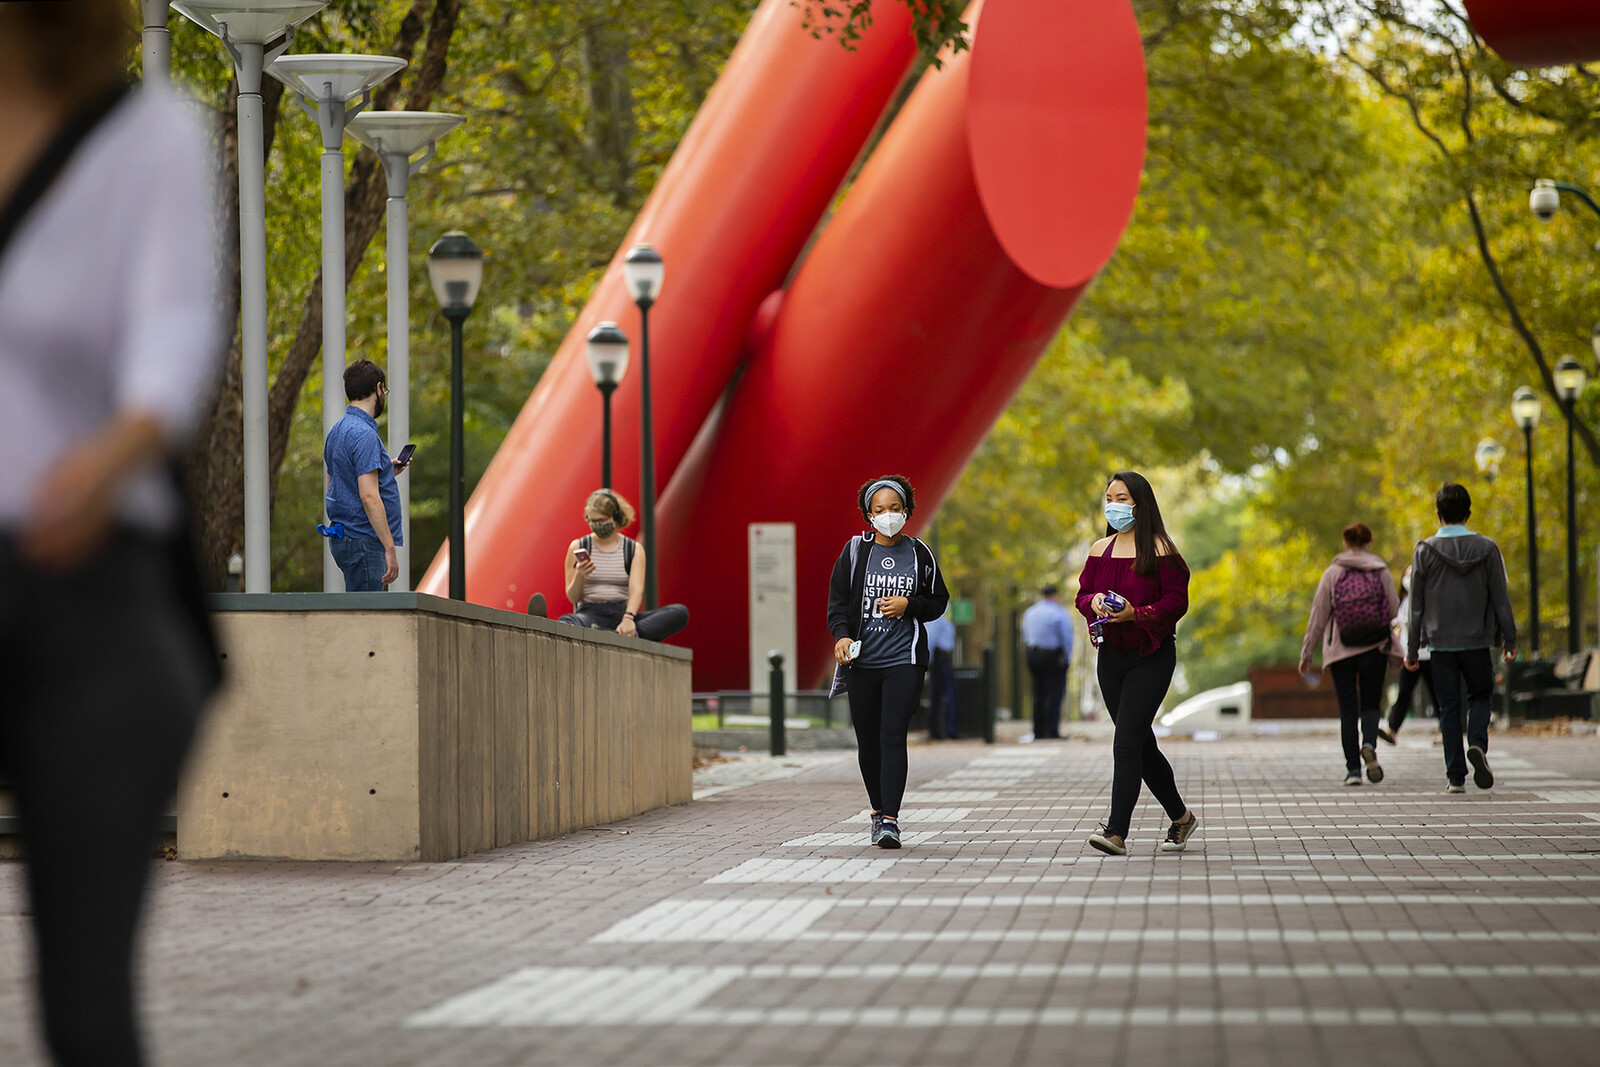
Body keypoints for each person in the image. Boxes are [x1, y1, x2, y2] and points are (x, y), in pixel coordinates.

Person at [0, 3, 224, 1063]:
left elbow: (174, 322)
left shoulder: (148, 135)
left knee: (83, 997)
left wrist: (121, 446)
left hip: (88, 587)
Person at [1074, 471, 1198, 856]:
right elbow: (1082, 594)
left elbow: (1177, 602)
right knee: (1141, 745)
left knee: (1125, 743)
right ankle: (1181, 818)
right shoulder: (1099, 549)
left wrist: (1138, 614)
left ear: (1139, 505)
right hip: (1111, 656)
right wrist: (1092, 602)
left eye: (1122, 498)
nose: (1113, 504)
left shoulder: (1162, 550)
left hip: (1152, 654)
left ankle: (1116, 832)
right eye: (1109, 497)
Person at [828, 475, 950, 848]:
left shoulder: (920, 554)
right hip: (863, 663)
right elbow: (837, 605)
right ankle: (878, 811)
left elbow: (937, 601)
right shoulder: (854, 552)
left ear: (907, 512)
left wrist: (908, 605)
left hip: (904, 659)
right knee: (868, 740)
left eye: (895, 509)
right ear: (868, 514)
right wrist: (842, 637)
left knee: (892, 734)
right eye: (879, 510)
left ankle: (891, 820)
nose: (888, 516)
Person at [1405, 484, 1517, 794]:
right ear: (1468, 514)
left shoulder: (1424, 551)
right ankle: (1478, 744)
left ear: (1437, 514)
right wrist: (1510, 638)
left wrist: (1412, 648)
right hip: (1478, 641)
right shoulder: (1488, 548)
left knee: (1449, 707)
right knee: (1480, 697)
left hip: (1440, 644)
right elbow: (1500, 597)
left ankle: (1456, 776)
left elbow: (1415, 606)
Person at [1298, 523, 1399, 786]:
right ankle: (1369, 744)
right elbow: (1393, 609)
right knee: (1370, 704)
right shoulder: (1380, 570)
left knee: (1347, 709)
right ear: (1368, 543)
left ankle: (1353, 770)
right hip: (1374, 647)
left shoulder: (1333, 573)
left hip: (1340, 650)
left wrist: (1307, 652)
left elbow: (1318, 616)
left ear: (1345, 543)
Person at [551, 489, 688, 641]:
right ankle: (613, 635)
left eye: (602, 521)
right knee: (567, 622)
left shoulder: (633, 549)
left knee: (679, 612)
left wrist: (628, 618)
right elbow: (573, 596)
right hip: (589, 613)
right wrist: (579, 575)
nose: (597, 525)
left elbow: (636, 590)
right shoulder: (578, 546)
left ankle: (621, 633)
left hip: (622, 614)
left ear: (615, 517)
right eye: (592, 521)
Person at [322, 359, 409, 591]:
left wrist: (385, 472)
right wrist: (389, 547)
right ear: (378, 388)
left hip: (344, 537)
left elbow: (336, 483)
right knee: (367, 619)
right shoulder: (365, 435)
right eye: (385, 391)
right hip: (363, 540)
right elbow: (368, 497)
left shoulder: (336, 431)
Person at [1378, 565, 1433, 744]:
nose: (1408, 579)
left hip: (1428, 654)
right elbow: (1398, 626)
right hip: (1408, 655)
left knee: (1437, 694)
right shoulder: (1403, 602)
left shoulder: (1428, 599)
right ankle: (1392, 729)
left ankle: (1445, 731)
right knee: (1404, 693)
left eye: (1412, 575)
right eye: (1406, 575)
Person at [1021, 584, 1074, 740]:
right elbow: (1066, 638)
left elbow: (1025, 635)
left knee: (1037, 693)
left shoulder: (1030, 612)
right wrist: (1067, 657)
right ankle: (1051, 730)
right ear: (1056, 595)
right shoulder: (1059, 613)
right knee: (1054, 693)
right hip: (1052, 656)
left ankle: (1038, 731)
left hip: (1033, 655)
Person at [924, 608, 957, 739]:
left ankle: (942, 729)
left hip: (943, 658)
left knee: (941, 694)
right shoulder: (938, 619)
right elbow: (931, 639)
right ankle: (943, 730)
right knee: (943, 694)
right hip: (940, 659)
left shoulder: (943, 619)